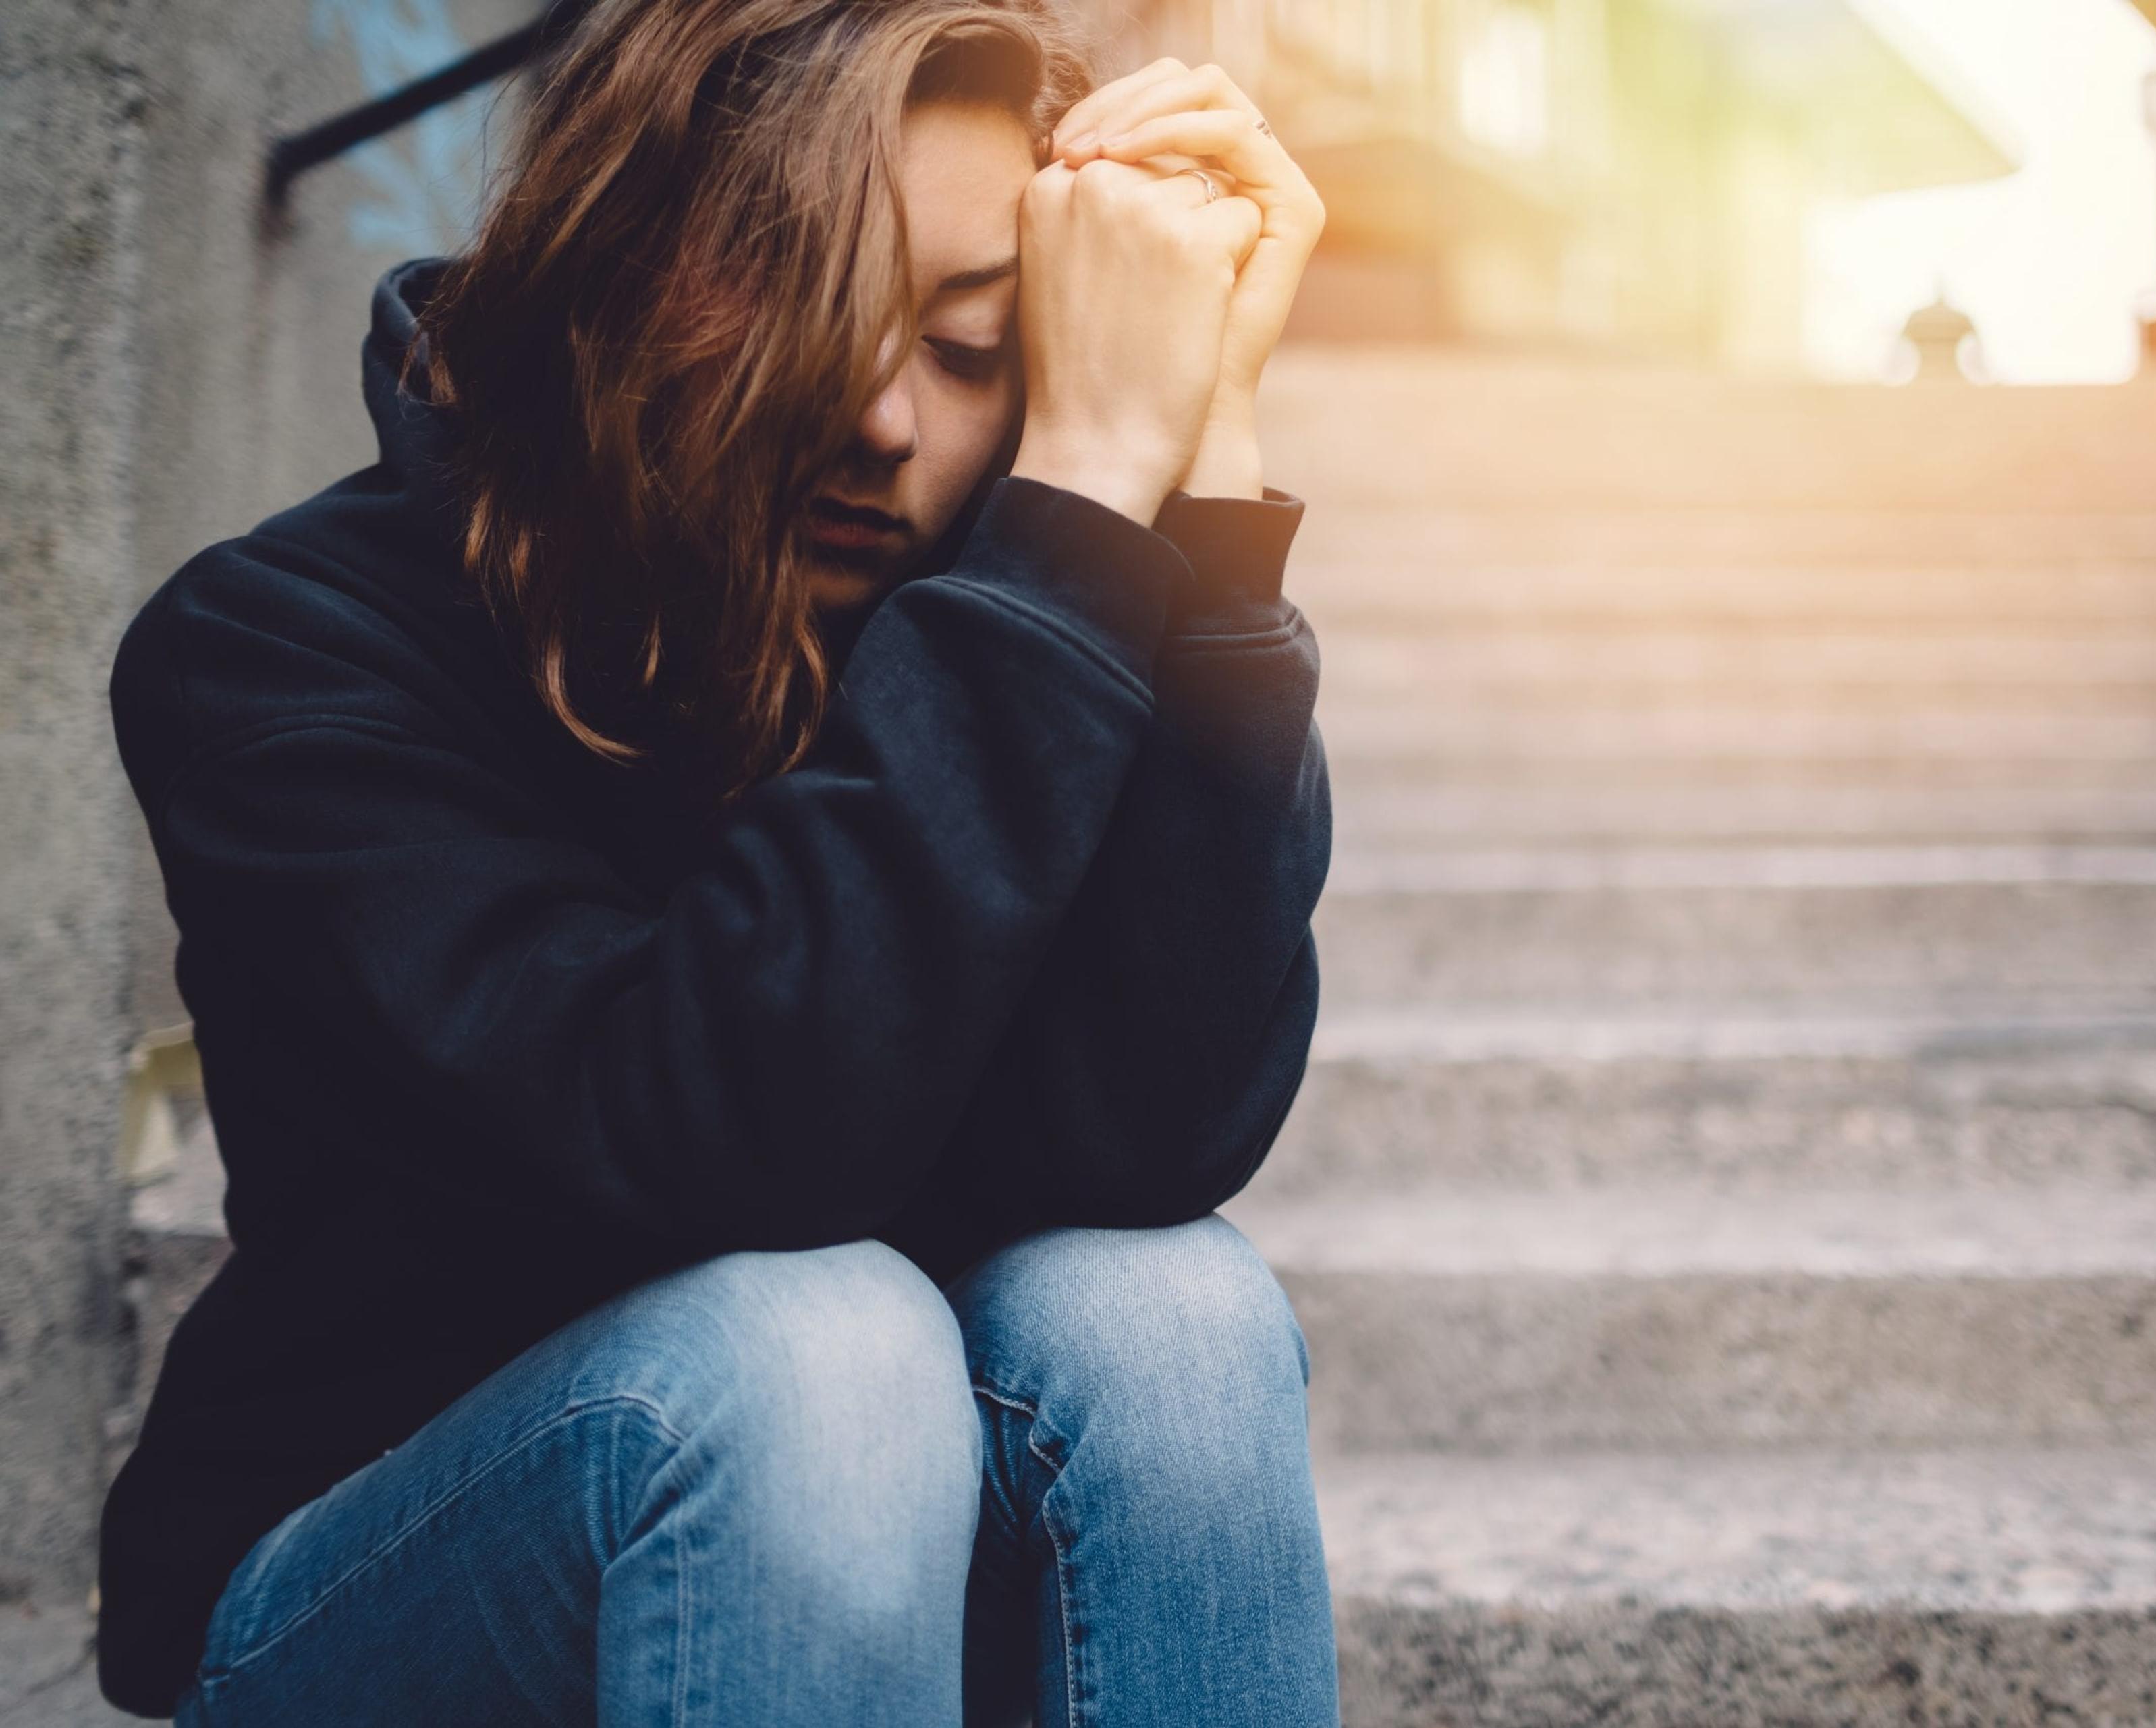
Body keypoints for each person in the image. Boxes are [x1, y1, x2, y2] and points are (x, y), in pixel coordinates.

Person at [94, 1, 1337, 1721]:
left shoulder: (1008, 609)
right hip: (381, 1590)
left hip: (839, 1583)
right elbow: (715, 1144)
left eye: (980, 352)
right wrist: (1070, 538)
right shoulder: (279, 651)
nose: (888, 420)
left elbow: (1152, 1137)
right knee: (812, 1352)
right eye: (807, 308)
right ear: (605, 260)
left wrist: (1197, 477)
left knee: (1167, 1311)